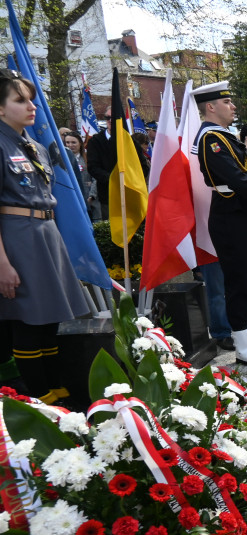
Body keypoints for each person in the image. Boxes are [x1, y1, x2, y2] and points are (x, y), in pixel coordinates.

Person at [0, 70, 90, 402]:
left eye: (31, 100)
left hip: (46, 235)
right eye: (19, 100)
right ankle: (40, 396)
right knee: (28, 319)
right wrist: (2, 264)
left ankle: (58, 387)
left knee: (50, 317)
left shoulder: (34, 146)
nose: (31, 106)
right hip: (17, 237)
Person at [191, 81, 247, 363]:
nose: (233, 107)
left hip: (243, 214)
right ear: (211, 107)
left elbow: (242, 172)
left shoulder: (225, 136)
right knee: (238, 281)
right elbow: (234, 178)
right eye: (227, 102)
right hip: (231, 216)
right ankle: (243, 347)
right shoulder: (211, 138)